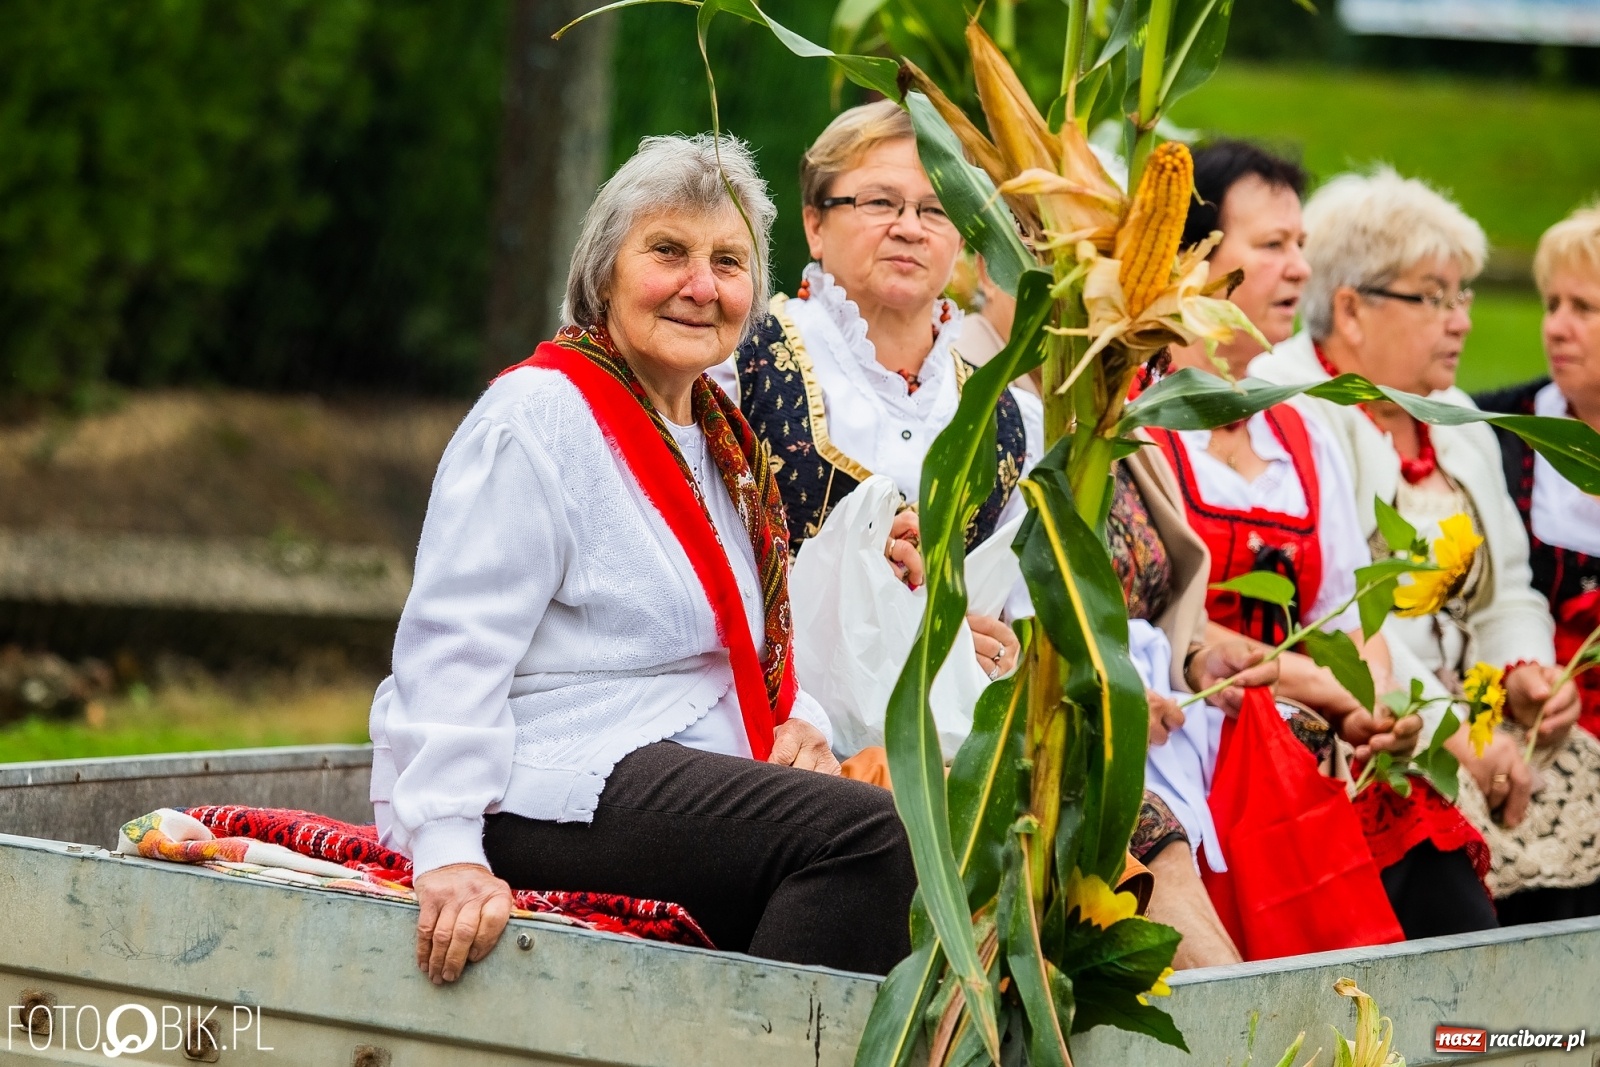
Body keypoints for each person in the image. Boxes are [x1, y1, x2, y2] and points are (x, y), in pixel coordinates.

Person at [368, 133, 916, 985]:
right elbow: (451, 643)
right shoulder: (540, 414)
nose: (702, 286)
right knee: (868, 837)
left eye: (729, 263)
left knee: (917, 826)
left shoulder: (720, 439)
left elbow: (746, 627)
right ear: (603, 273)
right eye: (669, 251)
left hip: (667, 771)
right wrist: (445, 845)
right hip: (546, 775)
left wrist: (798, 716)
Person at [1143, 142, 1493, 940]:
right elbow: (1170, 625)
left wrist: (1374, 702)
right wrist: (1328, 688)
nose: (1300, 270)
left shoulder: (1299, 430)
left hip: (1317, 740)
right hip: (1194, 733)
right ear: (1190, 260)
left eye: (1300, 245)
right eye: (1272, 246)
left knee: (1444, 893)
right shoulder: (1133, 424)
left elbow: (1355, 618)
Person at [1252, 166, 1594, 924]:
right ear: (1351, 308)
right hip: (1383, 723)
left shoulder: (1456, 414)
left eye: (1464, 294)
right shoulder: (1300, 408)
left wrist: (1526, 676)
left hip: (1479, 714)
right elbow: (1346, 615)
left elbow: (1509, 588)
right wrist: (1465, 731)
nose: (1462, 320)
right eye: (1434, 296)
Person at [712, 100, 1032, 682]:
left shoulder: (1006, 416)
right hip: (770, 723)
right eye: (879, 201)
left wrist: (1000, 651)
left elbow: (1008, 619)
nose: (909, 227)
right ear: (814, 223)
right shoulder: (738, 362)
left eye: (936, 210)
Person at [1474, 201, 1600, 924]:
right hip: (1528, 731)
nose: (1556, 324)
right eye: (1552, 302)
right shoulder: (1497, 427)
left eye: (1584, 307)